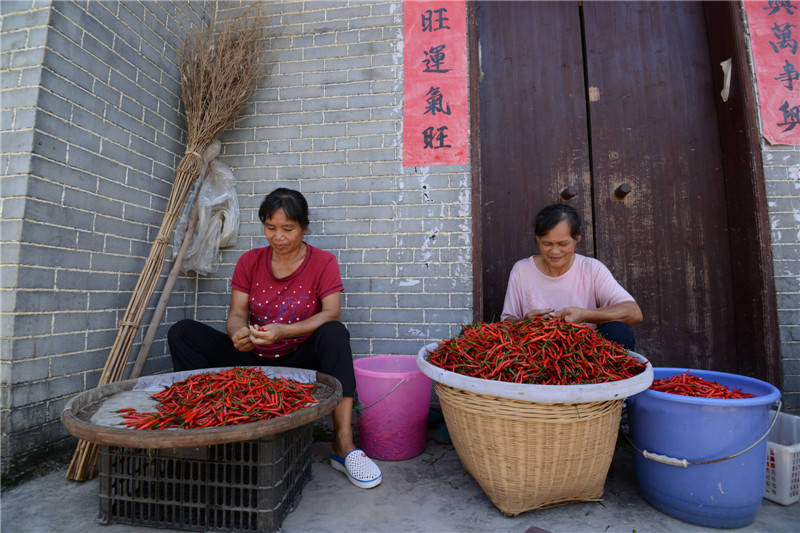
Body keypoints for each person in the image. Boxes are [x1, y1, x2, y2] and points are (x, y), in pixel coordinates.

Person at [168, 187, 382, 489]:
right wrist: (238, 333)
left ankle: (343, 445)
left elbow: (331, 313)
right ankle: (205, 427)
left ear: (304, 228)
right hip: (253, 358)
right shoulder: (250, 261)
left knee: (335, 333)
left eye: (287, 229)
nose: (278, 237)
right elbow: (236, 313)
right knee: (183, 332)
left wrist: (284, 331)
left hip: (299, 360)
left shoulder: (323, 262)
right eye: (270, 228)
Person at [501, 203, 643, 350]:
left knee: (618, 331)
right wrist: (525, 321)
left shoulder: (591, 268)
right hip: (538, 351)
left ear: (578, 236)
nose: (555, 251)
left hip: (584, 352)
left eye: (563, 243)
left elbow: (633, 312)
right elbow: (505, 323)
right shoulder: (522, 270)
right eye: (547, 243)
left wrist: (584, 315)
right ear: (537, 238)